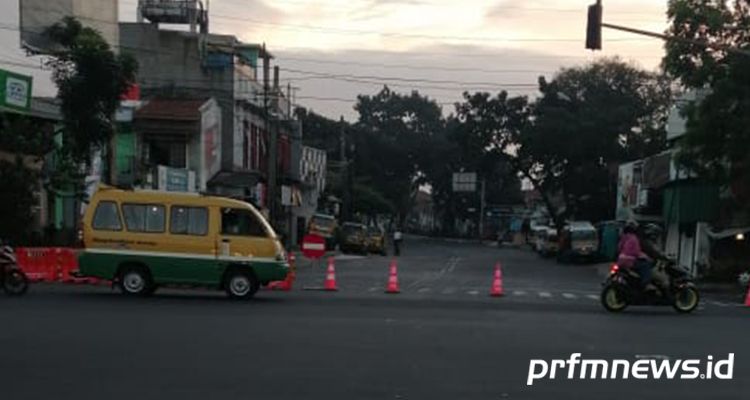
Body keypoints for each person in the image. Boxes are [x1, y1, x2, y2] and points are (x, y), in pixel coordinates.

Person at [617, 221, 653, 289]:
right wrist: (645, 257)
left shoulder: (623, 238)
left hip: (620, 260)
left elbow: (619, 248)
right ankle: (645, 283)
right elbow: (636, 252)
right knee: (646, 265)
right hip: (629, 261)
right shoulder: (634, 239)